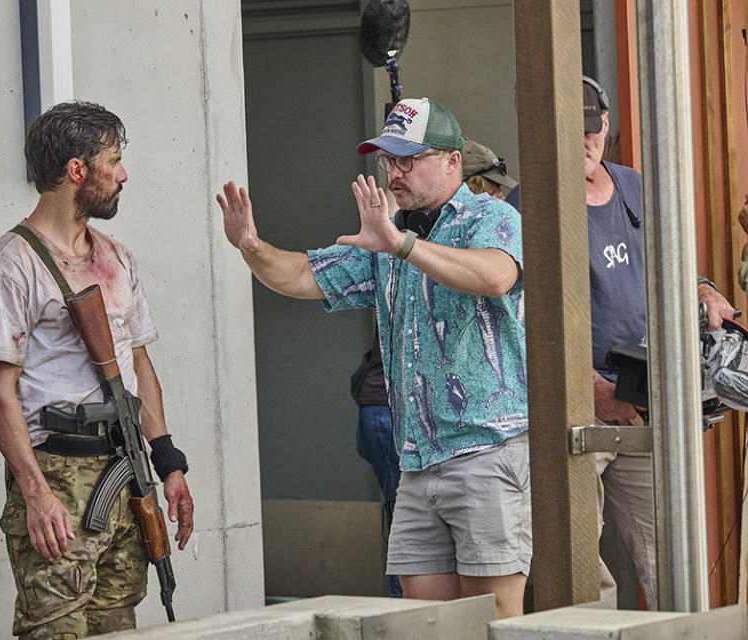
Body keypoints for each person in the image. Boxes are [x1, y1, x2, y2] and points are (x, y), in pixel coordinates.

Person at [218, 97, 530, 618]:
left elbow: (496, 275)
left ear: (452, 161)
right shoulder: (389, 235)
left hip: (485, 449)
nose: (394, 171)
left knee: (491, 615)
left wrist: (400, 244)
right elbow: (298, 275)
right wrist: (251, 245)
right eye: (387, 159)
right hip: (416, 461)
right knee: (425, 620)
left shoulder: (490, 215)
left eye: (409, 158)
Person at [506, 76, 735, 609]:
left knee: (671, 556)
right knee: (576, 564)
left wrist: (706, 294)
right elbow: (521, 322)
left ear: (605, 126)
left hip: (646, 404)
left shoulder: (635, 186)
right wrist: (596, 392)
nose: (584, 143)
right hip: (573, 411)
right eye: (571, 131)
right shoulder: (523, 206)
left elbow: (676, 265)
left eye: (591, 130)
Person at [0, 101, 194, 638]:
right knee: (54, 627)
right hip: (57, 477)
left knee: (118, 625)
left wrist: (169, 465)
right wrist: (35, 493)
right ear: (77, 171)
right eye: (113, 161)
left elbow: (138, 364)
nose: (123, 175)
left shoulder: (117, 257)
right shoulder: (10, 265)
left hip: (124, 471)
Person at [350, 332, 402, 597]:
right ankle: (401, 604)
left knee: (402, 517)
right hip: (388, 406)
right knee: (405, 519)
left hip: (381, 407)